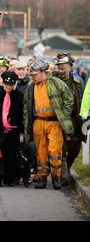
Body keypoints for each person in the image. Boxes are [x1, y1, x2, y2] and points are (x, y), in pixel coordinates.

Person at [23, 59, 74, 190]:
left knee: (55, 151)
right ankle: (41, 179)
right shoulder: (31, 86)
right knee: (41, 152)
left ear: (43, 72)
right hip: (38, 123)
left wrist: (65, 115)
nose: (32, 76)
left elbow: (69, 98)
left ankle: (56, 178)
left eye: (34, 74)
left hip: (54, 123)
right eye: (31, 74)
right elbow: (26, 107)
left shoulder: (57, 83)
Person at [54, 52, 85, 186]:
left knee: (74, 146)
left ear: (70, 68)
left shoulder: (77, 83)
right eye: (58, 68)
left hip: (73, 118)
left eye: (62, 68)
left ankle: (67, 167)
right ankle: (63, 173)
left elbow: (83, 100)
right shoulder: (53, 81)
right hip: (56, 118)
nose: (60, 71)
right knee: (59, 146)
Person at [13, 60, 36, 184]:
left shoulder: (32, 84)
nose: (21, 72)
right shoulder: (12, 83)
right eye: (18, 69)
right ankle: (16, 175)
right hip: (15, 121)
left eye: (23, 69)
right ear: (15, 70)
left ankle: (27, 175)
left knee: (28, 150)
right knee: (15, 149)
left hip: (28, 121)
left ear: (27, 70)